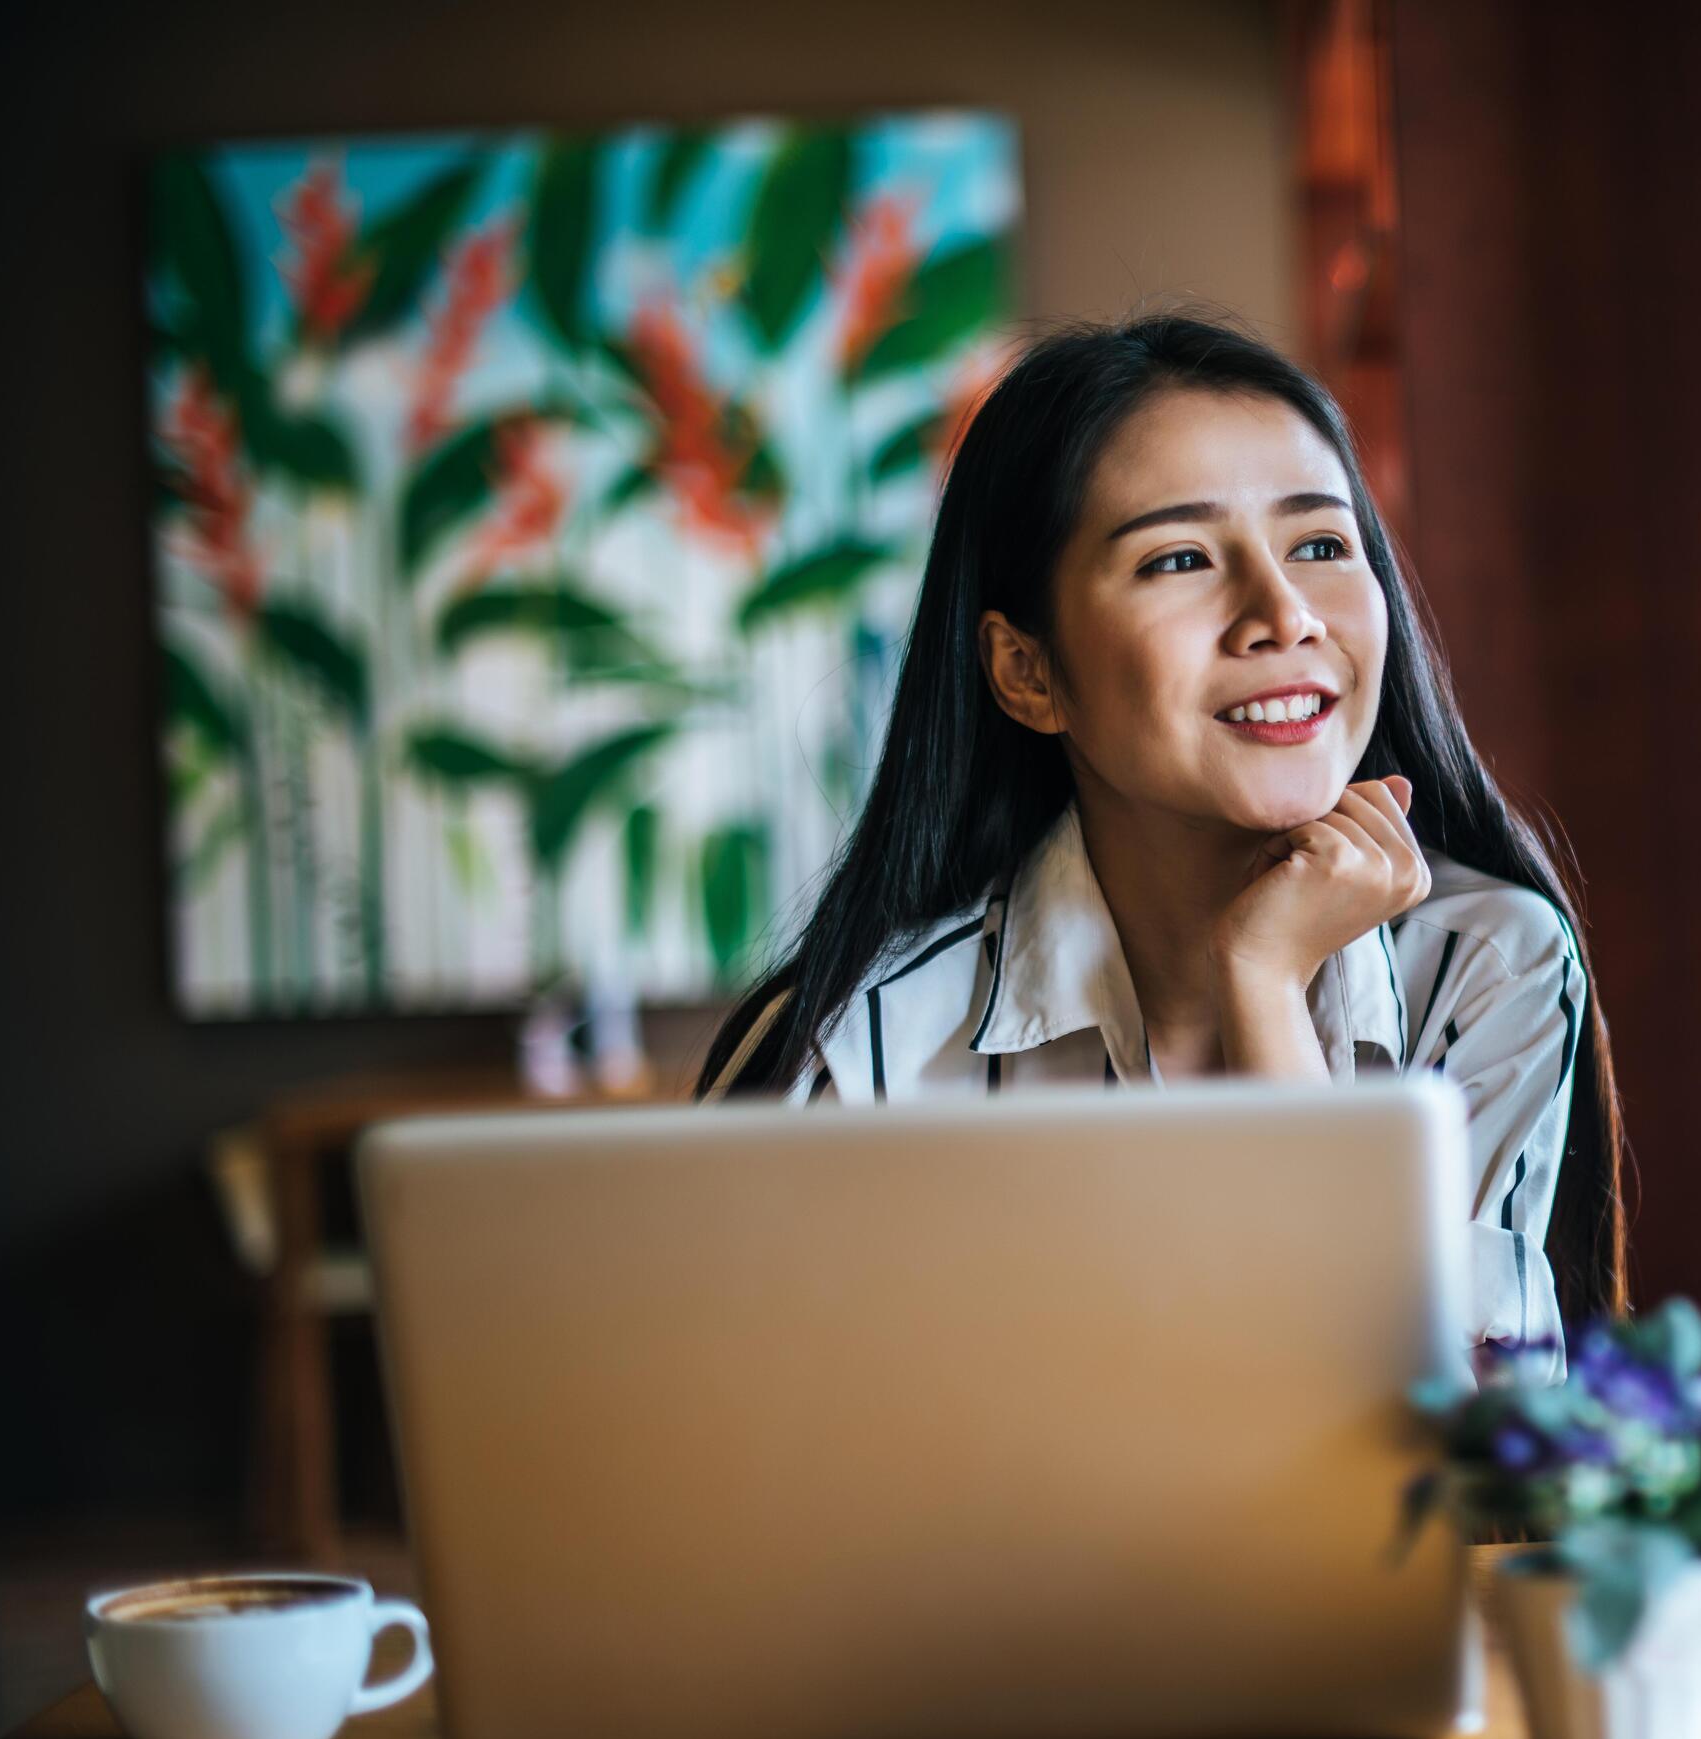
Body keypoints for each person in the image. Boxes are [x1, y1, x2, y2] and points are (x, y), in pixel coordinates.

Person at [696, 312, 1624, 1350]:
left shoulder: (1486, 960)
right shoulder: (870, 1044)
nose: (1283, 614)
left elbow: (1458, 1437)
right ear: (1028, 672)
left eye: (1319, 543)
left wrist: (1265, 985)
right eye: (1179, 560)